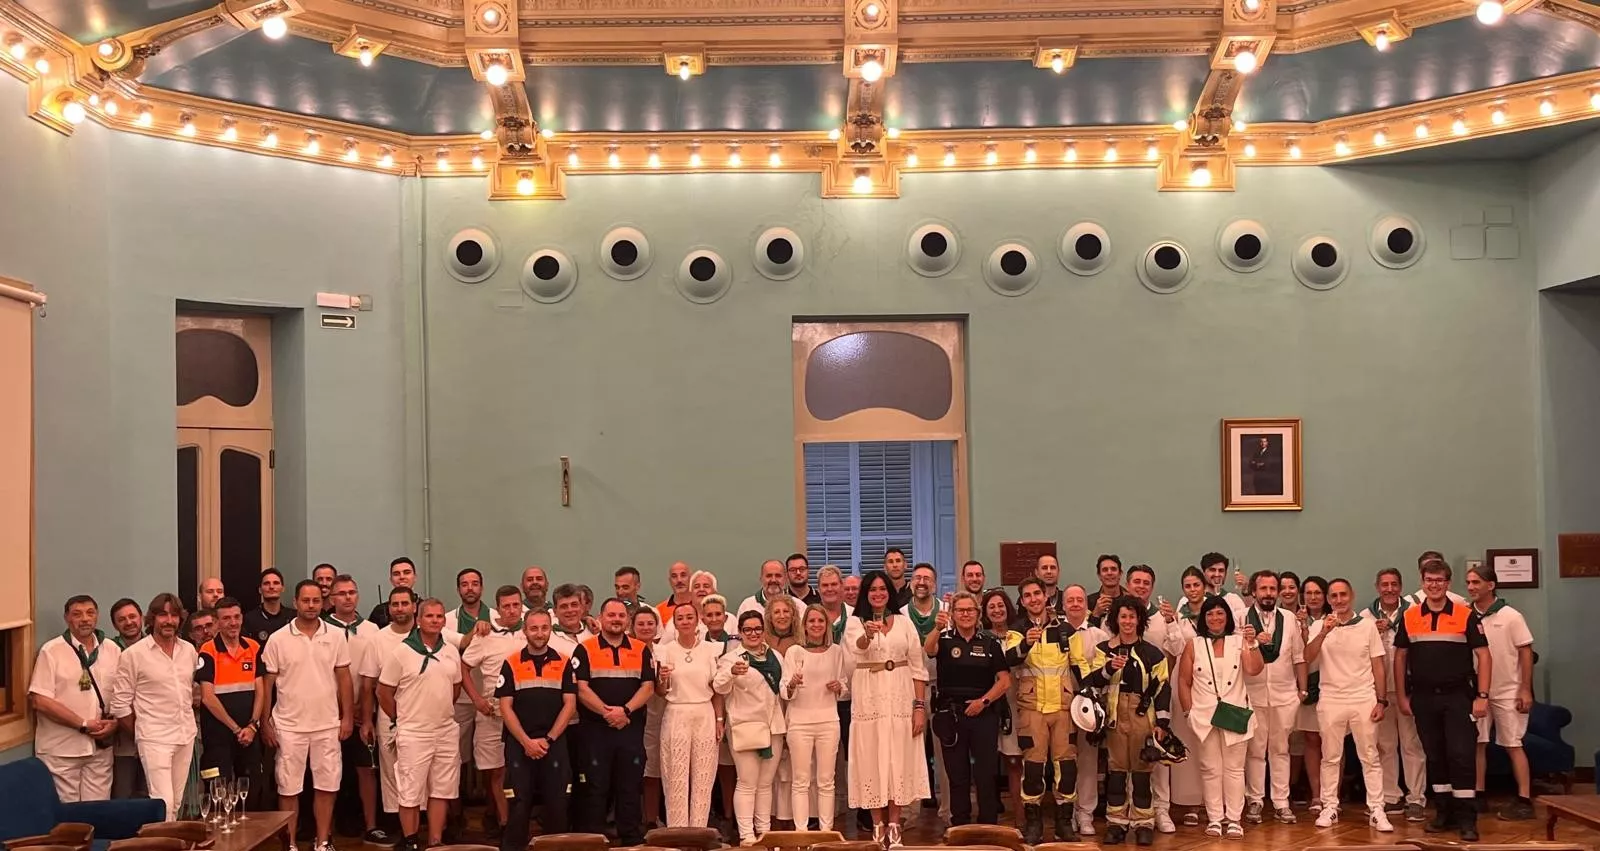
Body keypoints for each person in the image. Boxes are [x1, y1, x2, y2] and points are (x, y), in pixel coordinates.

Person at [1395, 559, 1492, 841]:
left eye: (1439, 580)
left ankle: (1467, 819)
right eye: (1429, 580)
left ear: (1448, 584)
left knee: (1461, 756)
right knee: (1435, 756)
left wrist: (1482, 696)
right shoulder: (1410, 616)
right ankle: (1443, 813)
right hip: (1424, 698)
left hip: (1459, 697)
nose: (1434, 585)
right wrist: (1402, 695)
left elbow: (1484, 656)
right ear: (1422, 583)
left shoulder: (1465, 615)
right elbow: (1400, 657)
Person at [262, 580, 355, 851]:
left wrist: (347, 717)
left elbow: (344, 677)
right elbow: (267, 683)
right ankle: (289, 844)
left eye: (316, 601)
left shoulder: (336, 635)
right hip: (289, 726)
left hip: (327, 725)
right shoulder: (279, 638)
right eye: (306, 601)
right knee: (288, 788)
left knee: (327, 786)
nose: (311, 606)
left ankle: (323, 842)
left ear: (322, 603)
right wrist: (265, 721)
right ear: (296, 601)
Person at [844, 571, 929, 849]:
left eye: (882, 589)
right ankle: (876, 824)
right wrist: (867, 636)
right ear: (865, 594)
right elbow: (855, 652)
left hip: (901, 698)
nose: (878, 594)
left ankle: (895, 824)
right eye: (872, 589)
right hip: (870, 700)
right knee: (871, 758)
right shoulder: (855, 623)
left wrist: (919, 707)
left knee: (897, 759)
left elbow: (918, 667)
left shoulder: (904, 623)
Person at [1081, 596, 1171, 847]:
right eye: (1123, 616)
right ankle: (1116, 824)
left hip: (1144, 717)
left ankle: (1144, 824)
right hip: (1114, 718)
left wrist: (1162, 723)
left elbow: (1163, 688)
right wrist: (1109, 668)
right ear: (1115, 620)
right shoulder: (1103, 650)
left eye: (1132, 616)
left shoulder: (1153, 653)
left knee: (1142, 773)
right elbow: (1090, 682)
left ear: (1140, 620)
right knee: (1117, 773)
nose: (1128, 621)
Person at [1304, 578, 1392, 832]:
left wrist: (1381, 700)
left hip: (1363, 698)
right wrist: (1323, 632)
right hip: (1330, 698)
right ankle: (1329, 806)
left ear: (1351, 596)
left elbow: (1378, 664)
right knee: (1330, 757)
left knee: (1370, 756)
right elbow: (1307, 657)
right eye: (1334, 596)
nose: (1339, 600)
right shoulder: (1321, 625)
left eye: (1343, 595)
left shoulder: (1366, 626)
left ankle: (1377, 809)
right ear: (1329, 599)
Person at [378, 598, 463, 851]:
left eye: (439, 617)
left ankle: (435, 841)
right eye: (429, 616)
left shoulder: (450, 651)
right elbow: (384, 693)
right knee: (410, 790)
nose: (435, 621)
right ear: (418, 619)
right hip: (414, 731)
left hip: (445, 729)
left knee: (441, 789)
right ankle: (411, 840)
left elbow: (455, 689)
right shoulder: (401, 652)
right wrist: (403, 717)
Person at [1004, 578, 1083, 843]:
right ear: (1023, 601)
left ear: (1045, 596)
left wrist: (1089, 697)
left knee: (1067, 768)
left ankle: (1064, 823)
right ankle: (1034, 823)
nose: (1033, 599)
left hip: (1063, 709)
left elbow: (1080, 667)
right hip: (1032, 710)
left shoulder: (1065, 630)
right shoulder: (1016, 630)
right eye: (1027, 595)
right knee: (1034, 769)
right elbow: (1009, 659)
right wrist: (1026, 643)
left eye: (1037, 593)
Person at [573, 598, 657, 846]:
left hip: (629, 729)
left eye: (621, 615)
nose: (616, 619)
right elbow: (581, 688)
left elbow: (648, 686)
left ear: (627, 620)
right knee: (596, 787)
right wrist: (607, 712)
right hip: (595, 731)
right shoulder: (585, 649)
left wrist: (625, 711)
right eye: (611, 615)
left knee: (630, 786)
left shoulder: (641, 649)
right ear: (601, 618)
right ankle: (595, 839)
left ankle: (630, 837)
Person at [1178, 595, 1262, 839]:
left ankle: (1234, 819)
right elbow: (1184, 681)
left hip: (1234, 712)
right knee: (1209, 768)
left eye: (1220, 613)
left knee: (1235, 769)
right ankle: (1215, 818)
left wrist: (1253, 643)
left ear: (1227, 617)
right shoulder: (1194, 644)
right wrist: (1188, 712)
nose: (1215, 618)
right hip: (1204, 715)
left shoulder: (1239, 642)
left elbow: (1254, 669)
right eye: (1210, 614)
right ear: (1203, 618)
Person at [109, 593, 199, 820]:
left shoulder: (188, 650)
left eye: (174, 615)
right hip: (154, 739)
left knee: (177, 802)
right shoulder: (133, 655)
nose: (168, 621)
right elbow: (120, 704)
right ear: (151, 619)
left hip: (185, 734)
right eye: (162, 615)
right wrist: (143, 731)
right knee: (164, 802)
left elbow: (188, 690)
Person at [497, 609, 578, 851]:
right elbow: (505, 707)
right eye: (534, 628)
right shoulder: (510, 663)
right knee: (519, 803)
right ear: (525, 631)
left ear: (550, 630)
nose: (539, 633)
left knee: (557, 803)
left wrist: (548, 740)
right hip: (520, 745)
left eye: (544, 628)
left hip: (554, 744)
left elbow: (570, 705)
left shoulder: (564, 662)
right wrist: (527, 742)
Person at [30, 594, 121, 802]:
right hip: (61, 750)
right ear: (67, 619)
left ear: (97, 616)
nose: (85, 619)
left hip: (100, 750)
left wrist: (115, 723)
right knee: (68, 818)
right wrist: (82, 724)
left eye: (90, 613)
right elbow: (40, 700)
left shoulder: (112, 650)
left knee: (98, 812)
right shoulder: (51, 651)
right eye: (77, 614)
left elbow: (122, 694)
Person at [931, 591, 1010, 826]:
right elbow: (928, 648)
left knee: (986, 774)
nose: (965, 614)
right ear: (953, 614)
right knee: (957, 775)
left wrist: (983, 702)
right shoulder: (944, 641)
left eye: (970, 610)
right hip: (951, 716)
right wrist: (937, 628)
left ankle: (988, 824)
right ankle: (960, 824)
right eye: (960, 610)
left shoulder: (990, 643)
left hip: (983, 714)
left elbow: (1004, 681)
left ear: (978, 614)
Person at [1466, 563, 1536, 821]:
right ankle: (1479, 794)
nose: (1471, 587)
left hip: (1508, 690)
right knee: (1478, 743)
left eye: (1476, 582)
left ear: (1491, 585)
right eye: (1469, 582)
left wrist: (1525, 689)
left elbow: (1525, 652)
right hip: (1478, 691)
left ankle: (1524, 799)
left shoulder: (1511, 616)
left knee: (1513, 744)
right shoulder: (1467, 615)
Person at [323, 575, 388, 845]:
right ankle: (324, 829)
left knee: (366, 769)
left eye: (352, 592)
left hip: (365, 712)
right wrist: (341, 708)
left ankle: (372, 825)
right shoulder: (322, 628)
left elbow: (376, 673)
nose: (347, 598)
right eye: (341, 593)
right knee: (328, 770)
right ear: (332, 598)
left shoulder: (373, 630)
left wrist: (364, 707)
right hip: (329, 711)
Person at [460, 586, 528, 841]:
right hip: (491, 712)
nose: (511, 610)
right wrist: (477, 699)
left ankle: (520, 823)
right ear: (497, 609)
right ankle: (503, 822)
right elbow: (463, 668)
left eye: (515, 605)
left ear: (521, 606)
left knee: (521, 771)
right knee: (495, 771)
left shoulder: (531, 631)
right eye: (506, 606)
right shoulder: (484, 635)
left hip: (524, 714)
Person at [1240, 571, 1307, 826]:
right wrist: (1252, 641)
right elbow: (1236, 655)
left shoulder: (1289, 618)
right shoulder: (1241, 618)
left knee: (1280, 750)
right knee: (1255, 750)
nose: (1268, 593)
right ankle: (1255, 800)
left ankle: (1281, 802)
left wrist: (1301, 691)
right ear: (1254, 592)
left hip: (1284, 695)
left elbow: (1299, 656)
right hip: (1252, 694)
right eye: (1263, 589)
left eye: (1272, 588)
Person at [716, 611, 788, 845]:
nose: (753, 633)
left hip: (773, 727)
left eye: (757, 629)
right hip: (745, 726)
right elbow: (719, 687)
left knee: (766, 783)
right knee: (747, 782)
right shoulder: (732, 658)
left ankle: (764, 831)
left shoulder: (775, 655)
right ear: (741, 632)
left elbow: (783, 690)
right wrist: (731, 673)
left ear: (764, 630)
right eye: (748, 629)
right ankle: (747, 834)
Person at [655, 600, 724, 827]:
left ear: (698, 621)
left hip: (704, 713)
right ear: (674, 623)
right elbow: (661, 691)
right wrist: (662, 677)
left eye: (689, 617)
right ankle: (677, 833)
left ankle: (698, 833)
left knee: (703, 777)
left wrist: (719, 719)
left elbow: (717, 690)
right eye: (680, 618)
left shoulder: (711, 649)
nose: (685, 622)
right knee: (676, 777)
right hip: (676, 713)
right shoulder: (665, 650)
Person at [1369, 567, 1429, 822]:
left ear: (1401, 586)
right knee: (1385, 746)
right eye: (1385, 584)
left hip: (1410, 690)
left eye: (1394, 584)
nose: (1390, 589)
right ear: (1377, 587)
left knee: (1412, 745)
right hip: (1379, 693)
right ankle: (1391, 796)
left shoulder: (1416, 614)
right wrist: (1375, 631)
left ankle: (1416, 798)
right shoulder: (1366, 618)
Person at [196, 597, 266, 806]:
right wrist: (236, 729)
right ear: (217, 623)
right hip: (219, 737)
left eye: (236, 617)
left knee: (251, 791)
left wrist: (252, 726)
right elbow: (207, 697)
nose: (233, 623)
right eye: (226, 618)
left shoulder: (253, 647)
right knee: (218, 792)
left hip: (250, 735)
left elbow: (260, 691)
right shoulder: (207, 650)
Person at [784, 604, 848, 832]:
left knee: (826, 780)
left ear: (826, 625)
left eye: (820, 621)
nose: (816, 625)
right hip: (799, 723)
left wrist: (839, 686)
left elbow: (845, 687)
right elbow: (784, 690)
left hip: (828, 721)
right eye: (811, 621)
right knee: (801, 780)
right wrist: (792, 683)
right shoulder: (794, 652)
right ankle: (801, 831)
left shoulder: (836, 652)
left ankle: (826, 831)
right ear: (804, 625)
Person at [362, 587, 421, 832]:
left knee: (420, 771)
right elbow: (368, 684)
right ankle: (396, 826)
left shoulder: (427, 634)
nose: (400, 609)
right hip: (388, 715)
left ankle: (419, 825)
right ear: (389, 608)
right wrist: (366, 721)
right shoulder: (378, 639)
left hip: (421, 717)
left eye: (404, 603)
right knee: (391, 770)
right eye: (395, 604)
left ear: (414, 606)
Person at [1161, 568, 1210, 829]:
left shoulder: (1215, 615)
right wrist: (1170, 622)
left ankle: (1211, 801)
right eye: (1187, 585)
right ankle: (1190, 802)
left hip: (1210, 686)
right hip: (1184, 684)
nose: (1192, 589)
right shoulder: (1178, 620)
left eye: (1196, 584)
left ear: (1204, 586)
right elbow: (1175, 651)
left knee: (1209, 743)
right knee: (1186, 741)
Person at [981, 589, 1025, 826]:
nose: (997, 610)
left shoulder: (1020, 635)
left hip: (1018, 704)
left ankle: (1021, 817)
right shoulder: (981, 638)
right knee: (990, 762)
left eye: (1000, 606)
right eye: (991, 607)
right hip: (989, 704)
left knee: (1015, 761)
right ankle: (988, 817)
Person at [1294, 575, 1332, 810]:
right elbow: (1301, 655)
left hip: (1332, 685)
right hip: (1307, 685)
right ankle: (1317, 795)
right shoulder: (1295, 620)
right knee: (1310, 739)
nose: (1313, 597)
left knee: (1332, 741)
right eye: (1308, 593)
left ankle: (1332, 796)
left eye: (1318, 592)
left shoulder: (1334, 619)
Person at [106, 598, 145, 799]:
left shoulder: (154, 646)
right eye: (121, 619)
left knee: (152, 795)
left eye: (132, 617)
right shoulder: (108, 651)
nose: (128, 622)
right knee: (123, 794)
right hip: (123, 738)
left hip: (154, 734)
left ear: (142, 618)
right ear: (114, 625)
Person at [244, 568, 294, 645]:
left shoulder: (293, 618)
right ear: (260, 590)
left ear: (282, 588)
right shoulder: (249, 620)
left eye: (276, 583)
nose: (271, 587)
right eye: (266, 583)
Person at [549, 584, 596, 657]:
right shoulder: (549, 640)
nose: (570, 610)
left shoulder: (595, 632)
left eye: (574, 605)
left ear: (581, 607)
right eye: (564, 606)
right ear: (555, 611)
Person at [370, 558, 418, 627]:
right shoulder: (379, 611)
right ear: (391, 580)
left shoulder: (425, 608)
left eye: (407, 572)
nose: (402, 577)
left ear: (415, 577)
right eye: (396, 574)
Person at [1085, 555, 1125, 629]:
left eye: (1113, 569)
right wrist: (1095, 614)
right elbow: (1084, 632)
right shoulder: (1088, 602)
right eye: (1105, 570)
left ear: (1120, 574)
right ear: (1099, 575)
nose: (1109, 573)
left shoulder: (1130, 601)